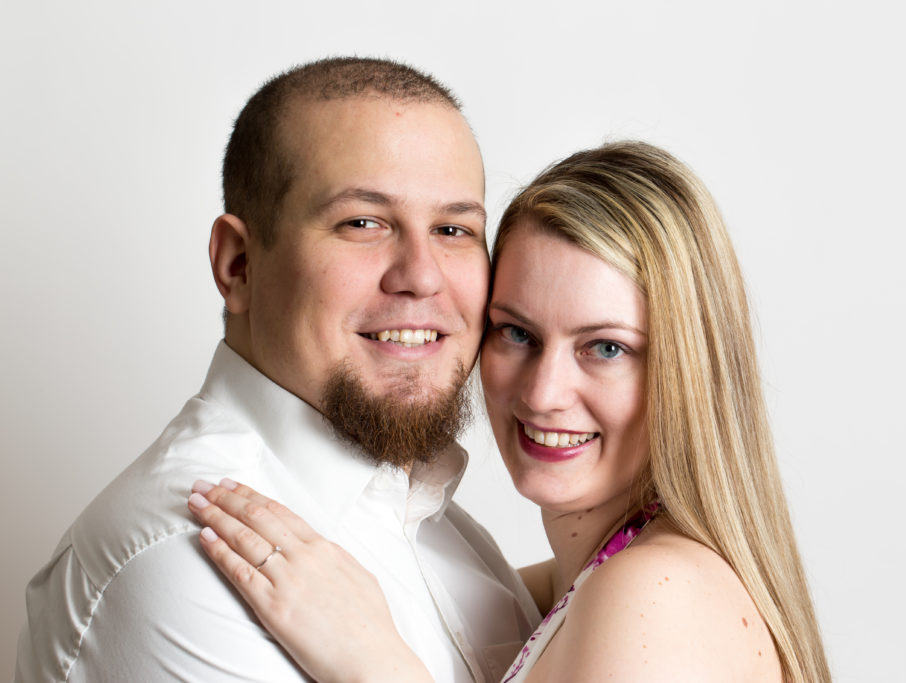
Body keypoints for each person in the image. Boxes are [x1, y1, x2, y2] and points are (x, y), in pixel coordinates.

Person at [187, 141, 832, 682]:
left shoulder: (654, 595)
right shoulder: (583, 581)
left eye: (606, 348)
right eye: (517, 333)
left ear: (689, 370)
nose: (543, 393)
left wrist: (371, 661)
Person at [15, 57, 540, 683]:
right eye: (363, 223)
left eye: (453, 229)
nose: (422, 276)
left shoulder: (438, 532)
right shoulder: (189, 559)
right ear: (238, 264)